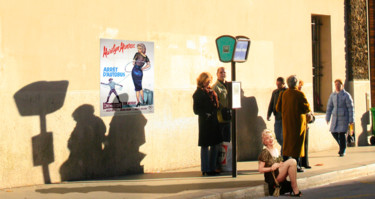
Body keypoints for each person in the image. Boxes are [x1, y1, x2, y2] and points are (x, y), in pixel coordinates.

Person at [276, 75, 311, 173]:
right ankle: (296, 165)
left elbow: (278, 108)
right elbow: (306, 108)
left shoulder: (283, 94)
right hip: (298, 123)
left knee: (287, 144)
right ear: (296, 83)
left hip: (287, 122)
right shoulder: (299, 94)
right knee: (297, 145)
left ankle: (286, 164)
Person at [193, 72, 223, 176]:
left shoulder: (211, 91)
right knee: (205, 146)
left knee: (215, 144)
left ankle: (212, 167)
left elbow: (217, 105)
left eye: (210, 80)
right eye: (207, 80)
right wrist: (206, 114)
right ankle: (205, 168)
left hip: (214, 121)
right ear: (202, 81)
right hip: (205, 122)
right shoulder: (198, 93)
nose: (209, 82)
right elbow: (196, 110)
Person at [258, 130, 302, 197]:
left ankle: (294, 188)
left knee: (292, 163)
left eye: (271, 137)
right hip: (272, 177)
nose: (270, 139)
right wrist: (271, 168)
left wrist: (280, 164)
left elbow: (281, 162)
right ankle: (295, 189)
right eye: (267, 138)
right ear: (264, 141)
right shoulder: (264, 152)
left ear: (274, 138)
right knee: (292, 161)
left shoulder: (276, 149)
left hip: (279, 172)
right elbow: (260, 169)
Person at [325, 79, 354, 157]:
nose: (337, 86)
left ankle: (342, 150)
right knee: (333, 132)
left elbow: (350, 108)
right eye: (336, 85)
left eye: (339, 85)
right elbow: (329, 106)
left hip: (344, 117)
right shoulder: (333, 95)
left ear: (342, 85)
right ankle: (342, 145)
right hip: (335, 118)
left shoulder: (346, 95)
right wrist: (327, 117)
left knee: (342, 134)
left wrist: (351, 120)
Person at [267, 77, 287, 155]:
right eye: (277, 84)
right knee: (278, 136)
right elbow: (271, 103)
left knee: (283, 136)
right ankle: (285, 148)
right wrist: (269, 113)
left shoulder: (286, 92)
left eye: (279, 84)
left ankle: (284, 152)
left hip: (284, 118)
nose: (278, 86)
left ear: (283, 84)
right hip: (277, 117)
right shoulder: (275, 92)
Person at [297, 80, 313, 169]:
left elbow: (308, 108)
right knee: (300, 145)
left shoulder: (302, 95)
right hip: (300, 124)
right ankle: (300, 163)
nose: (300, 88)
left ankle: (305, 162)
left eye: (301, 86)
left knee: (305, 144)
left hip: (304, 124)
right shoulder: (297, 95)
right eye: (299, 86)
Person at [212, 67, 231, 142]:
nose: (223, 74)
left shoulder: (228, 85)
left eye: (224, 72)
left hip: (229, 117)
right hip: (220, 118)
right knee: (222, 141)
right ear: (217, 74)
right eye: (221, 72)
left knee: (228, 140)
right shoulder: (215, 87)